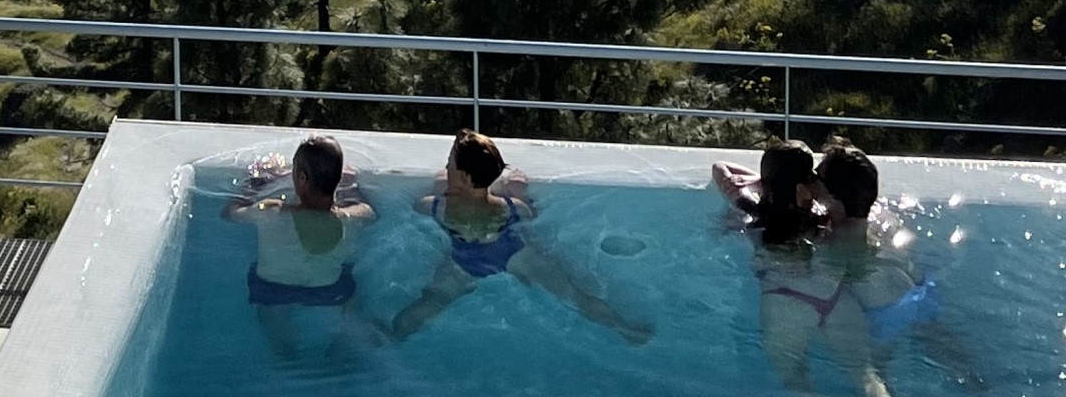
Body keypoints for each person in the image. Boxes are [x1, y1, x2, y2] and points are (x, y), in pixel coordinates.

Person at [389, 128, 651, 344]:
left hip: (463, 260)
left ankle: (391, 336)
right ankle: (624, 329)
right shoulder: (512, 207)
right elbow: (528, 216)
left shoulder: (434, 206)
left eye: (450, 165)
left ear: (464, 178)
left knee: (430, 302)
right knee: (574, 294)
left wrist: (441, 190)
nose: (446, 166)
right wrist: (518, 193)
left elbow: (421, 209)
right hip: (512, 252)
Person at [714, 140, 890, 397]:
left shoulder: (752, 215)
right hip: (835, 299)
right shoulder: (825, 221)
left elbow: (720, 168)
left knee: (796, 382)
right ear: (803, 189)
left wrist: (763, 183)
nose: (815, 180)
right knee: (865, 376)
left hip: (787, 301)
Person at [815, 139, 986, 390]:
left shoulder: (832, 241)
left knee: (873, 379)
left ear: (834, 196)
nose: (812, 179)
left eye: (817, 176)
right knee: (957, 362)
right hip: (919, 292)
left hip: (884, 316)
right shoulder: (879, 217)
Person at [225, 135, 376, 357]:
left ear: (302, 178)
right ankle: (339, 348)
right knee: (351, 291)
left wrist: (256, 182)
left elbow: (230, 213)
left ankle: (282, 352)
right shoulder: (354, 217)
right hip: (329, 291)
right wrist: (349, 186)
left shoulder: (270, 212)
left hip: (273, 291)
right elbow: (369, 210)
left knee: (273, 325)